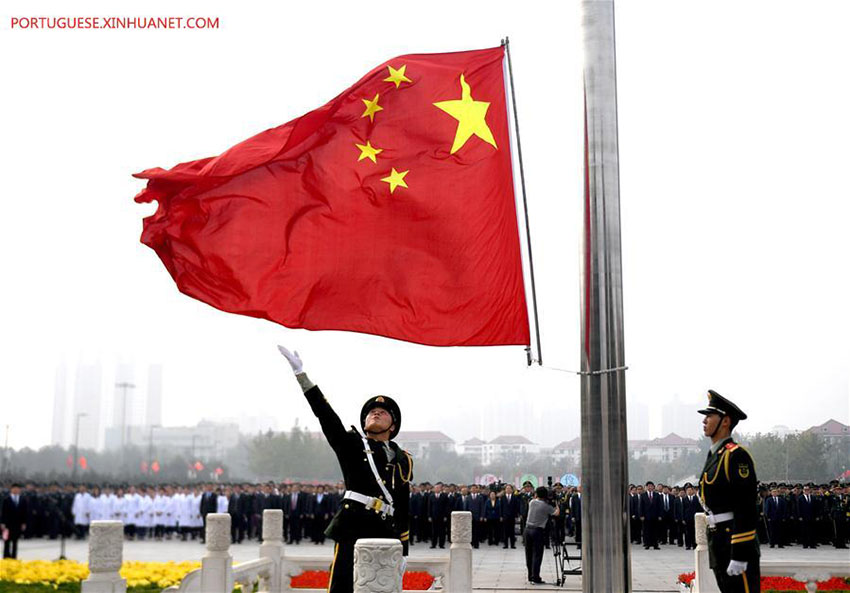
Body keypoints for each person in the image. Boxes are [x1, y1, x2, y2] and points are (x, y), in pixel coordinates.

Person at [278, 346, 412, 593]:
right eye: (371, 412)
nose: (376, 413)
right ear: (364, 423)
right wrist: (302, 376)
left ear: (392, 426)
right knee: (343, 585)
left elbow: (402, 504)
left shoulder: (404, 458)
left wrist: (404, 549)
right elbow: (326, 416)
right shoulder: (351, 445)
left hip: (386, 529)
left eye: (383, 413)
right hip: (354, 523)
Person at [698, 389, 760, 593]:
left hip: (734, 540)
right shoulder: (715, 455)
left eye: (710, 416)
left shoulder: (736, 455)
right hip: (718, 541)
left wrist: (740, 553)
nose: (704, 421)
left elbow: (747, 506)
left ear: (725, 421)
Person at [523, 486, 560, 585]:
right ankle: (536, 577)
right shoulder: (546, 506)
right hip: (537, 531)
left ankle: (530, 575)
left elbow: (536, 498)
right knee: (537, 555)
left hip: (527, 530)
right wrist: (556, 504)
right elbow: (556, 513)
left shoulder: (532, 502)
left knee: (529, 554)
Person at [1, 484, 28, 558]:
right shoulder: (6, 499)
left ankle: (14, 556)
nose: (16, 490)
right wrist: (2, 522)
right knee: (7, 541)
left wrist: (24, 523)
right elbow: (3, 512)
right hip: (7, 524)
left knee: (15, 541)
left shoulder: (23, 500)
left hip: (18, 523)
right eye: (14, 489)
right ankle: (6, 556)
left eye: (17, 489)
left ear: (20, 490)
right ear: (11, 489)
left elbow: (25, 512)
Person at [500, 484, 520, 549]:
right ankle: (505, 545)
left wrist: (516, 515)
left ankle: (512, 545)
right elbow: (501, 507)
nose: (508, 490)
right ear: (505, 490)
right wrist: (501, 516)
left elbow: (516, 507)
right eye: (507, 488)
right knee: (505, 531)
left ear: (512, 490)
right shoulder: (502, 498)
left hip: (512, 516)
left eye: (509, 488)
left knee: (512, 531)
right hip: (505, 516)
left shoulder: (514, 497)